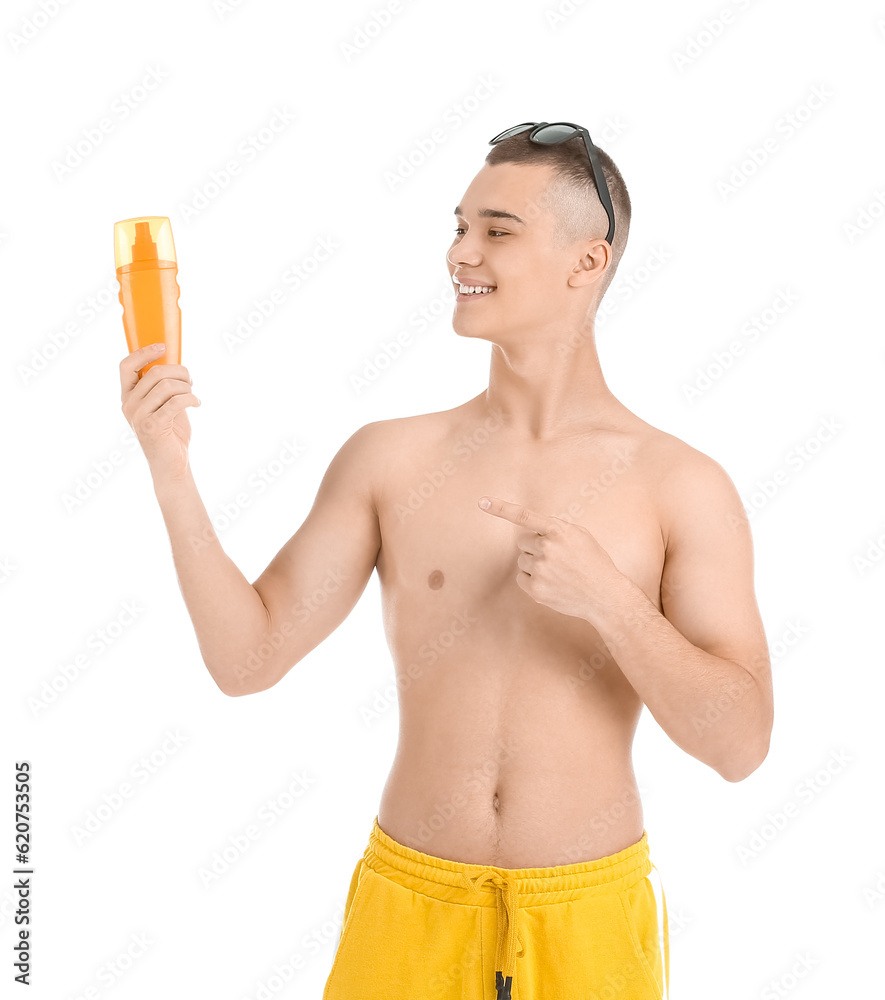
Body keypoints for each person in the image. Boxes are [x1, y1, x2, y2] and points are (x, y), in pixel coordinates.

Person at [119, 121, 773, 1000]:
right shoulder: (391, 459)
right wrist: (169, 464)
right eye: (458, 225)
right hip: (410, 907)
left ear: (588, 262)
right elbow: (247, 660)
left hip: (585, 919)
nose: (460, 252)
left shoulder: (680, 484)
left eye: (496, 230)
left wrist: (611, 603)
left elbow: (738, 746)